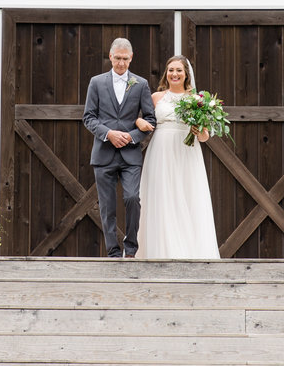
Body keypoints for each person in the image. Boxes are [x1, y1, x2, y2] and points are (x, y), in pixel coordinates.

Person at [136, 55, 220, 260]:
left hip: (186, 153)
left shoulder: (197, 100)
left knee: (187, 196)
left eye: (179, 70)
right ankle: (161, 250)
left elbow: (204, 136)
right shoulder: (156, 97)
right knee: (162, 196)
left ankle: (189, 251)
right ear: (166, 73)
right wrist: (139, 122)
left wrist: (198, 130)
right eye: (171, 70)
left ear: (186, 74)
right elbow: (140, 117)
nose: (174, 74)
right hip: (161, 152)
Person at [83, 38, 157, 258]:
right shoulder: (96, 82)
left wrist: (131, 137)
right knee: (107, 206)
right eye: (118, 58)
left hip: (130, 155)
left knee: (132, 198)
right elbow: (88, 117)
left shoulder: (141, 84)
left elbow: (150, 119)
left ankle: (131, 248)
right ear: (110, 57)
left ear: (131, 58)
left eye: (125, 59)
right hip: (103, 153)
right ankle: (113, 252)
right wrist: (109, 134)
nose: (121, 63)